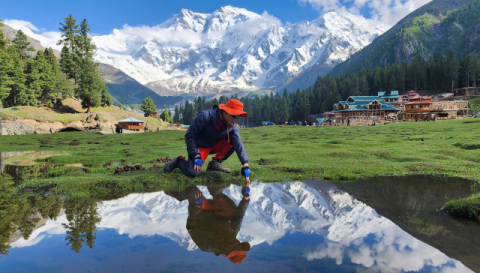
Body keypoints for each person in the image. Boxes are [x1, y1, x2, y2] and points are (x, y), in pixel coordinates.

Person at [164, 99, 250, 183]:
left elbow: (239, 144)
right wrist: (196, 154)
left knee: (233, 142)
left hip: (214, 145)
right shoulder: (205, 116)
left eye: (237, 117)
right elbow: (189, 135)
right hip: (201, 146)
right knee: (192, 172)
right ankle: (178, 161)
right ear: (226, 111)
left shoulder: (232, 126)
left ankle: (214, 164)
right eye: (234, 115)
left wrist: (245, 164)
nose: (235, 119)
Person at [165, 183, 251, 264]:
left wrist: (196, 207)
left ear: (228, 251)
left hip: (200, 212)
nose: (237, 242)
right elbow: (239, 215)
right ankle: (216, 191)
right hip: (216, 210)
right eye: (240, 244)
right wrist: (245, 197)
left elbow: (190, 226)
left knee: (193, 192)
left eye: (237, 246)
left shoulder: (207, 246)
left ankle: (168, 188)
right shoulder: (232, 232)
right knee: (233, 212)